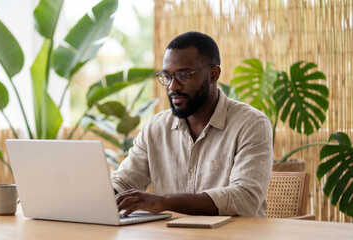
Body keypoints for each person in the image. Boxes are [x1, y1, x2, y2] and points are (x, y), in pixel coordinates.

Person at [111, 31, 273, 217]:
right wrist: (103, 196)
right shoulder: (155, 128)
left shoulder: (251, 124)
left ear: (213, 74)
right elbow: (123, 182)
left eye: (183, 75)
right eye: (167, 76)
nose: (173, 86)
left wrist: (165, 202)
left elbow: (244, 198)